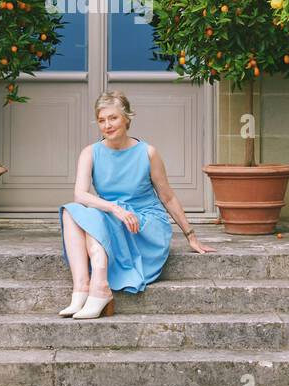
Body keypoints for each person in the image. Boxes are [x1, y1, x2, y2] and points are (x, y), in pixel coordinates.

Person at [57, 91, 215, 320]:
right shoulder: (90, 153)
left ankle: (98, 284)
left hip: (143, 223)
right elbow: (80, 194)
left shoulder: (147, 153)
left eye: (113, 118)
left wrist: (190, 235)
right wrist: (115, 209)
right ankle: (82, 287)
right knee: (72, 211)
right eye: (102, 120)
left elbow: (167, 197)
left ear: (127, 119)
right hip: (115, 217)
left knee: (95, 215)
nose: (107, 125)